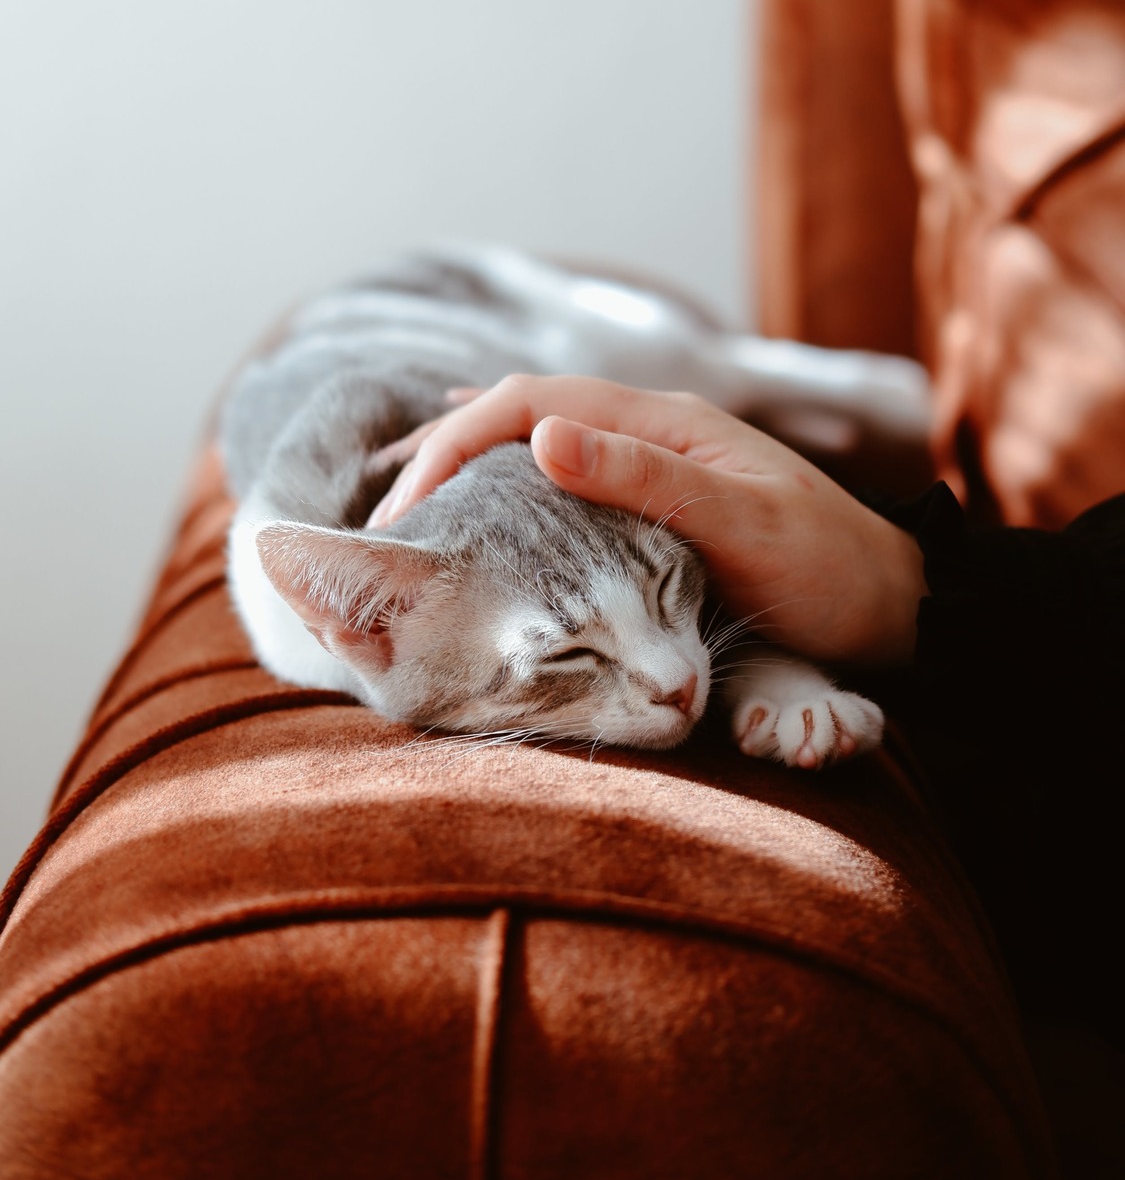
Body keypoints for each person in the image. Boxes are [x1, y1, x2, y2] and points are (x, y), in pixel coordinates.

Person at [372, 375, 1125, 1045]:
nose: (676, 680)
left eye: (667, 591)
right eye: (569, 653)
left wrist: (886, 597)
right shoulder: (395, 606)